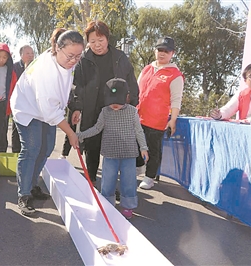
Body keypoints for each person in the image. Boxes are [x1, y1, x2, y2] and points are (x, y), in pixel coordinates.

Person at [10, 29, 84, 216]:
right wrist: (70, 133)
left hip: (46, 109)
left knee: (47, 147)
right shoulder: (45, 71)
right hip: (28, 109)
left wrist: (74, 107)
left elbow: (65, 89)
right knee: (32, 148)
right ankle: (24, 194)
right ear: (58, 49)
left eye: (78, 56)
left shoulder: (66, 61)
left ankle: (33, 184)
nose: (74, 60)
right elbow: (49, 111)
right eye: (70, 56)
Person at [70, 20, 139, 186]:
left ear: (108, 39)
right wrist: (76, 107)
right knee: (91, 145)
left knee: (115, 148)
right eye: (92, 41)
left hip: (116, 109)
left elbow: (131, 82)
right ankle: (91, 181)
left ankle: (111, 185)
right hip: (91, 108)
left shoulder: (120, 58)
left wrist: (132, 104)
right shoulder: (83, 59)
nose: (97, 45)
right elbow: (76, 86)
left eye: (100, 41)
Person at [77, 78, 148, 219]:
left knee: (129, 181)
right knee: (107, 180)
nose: (114, 105)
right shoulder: (105, 112)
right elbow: (97, 128)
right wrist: (80, 136)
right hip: (110, 153)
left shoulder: (132, 112)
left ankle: (128, 206)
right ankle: (106, 204)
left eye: (118, 102)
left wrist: (143, 147)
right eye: (112, 101)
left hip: (129, 154)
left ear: (126, 97)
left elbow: (139, 131)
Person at [136, 36, 184, 190]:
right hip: (138, 117)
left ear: (172, 53)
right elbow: (136, 89)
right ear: (155, 50)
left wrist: (173, 119)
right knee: (136, 146)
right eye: (159, 50)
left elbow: (176, 99)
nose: (162, 53)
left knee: (153, 149)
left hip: (156, 120)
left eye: (166, 51)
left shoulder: (175, 75)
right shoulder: (147, 69)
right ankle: (137, 169)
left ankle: (149, 177)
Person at [11, 45, 35, 153]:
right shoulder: (14, 67)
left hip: (32, 105)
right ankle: (16, 152)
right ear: (21, 55)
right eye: (27, 53)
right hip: (18, 103)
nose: (30, 56)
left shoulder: (37, 66)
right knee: (16, 130)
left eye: (32, 53)